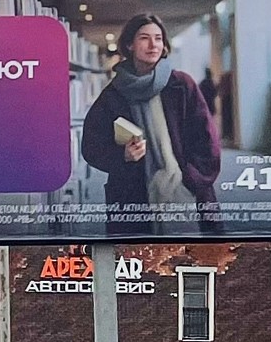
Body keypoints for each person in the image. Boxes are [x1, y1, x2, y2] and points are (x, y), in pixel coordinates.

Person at [79, 13, 220, 236]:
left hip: (185, 192)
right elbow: (91, 146)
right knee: (138, 253)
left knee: (191, 251)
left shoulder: (182, 85)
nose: (153, 45)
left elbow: (208, 140)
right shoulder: (114, 94)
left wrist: (191, 179)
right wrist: (122, 156)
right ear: (130, 45)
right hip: (132, 197)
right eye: (144, 38)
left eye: (158, 38)